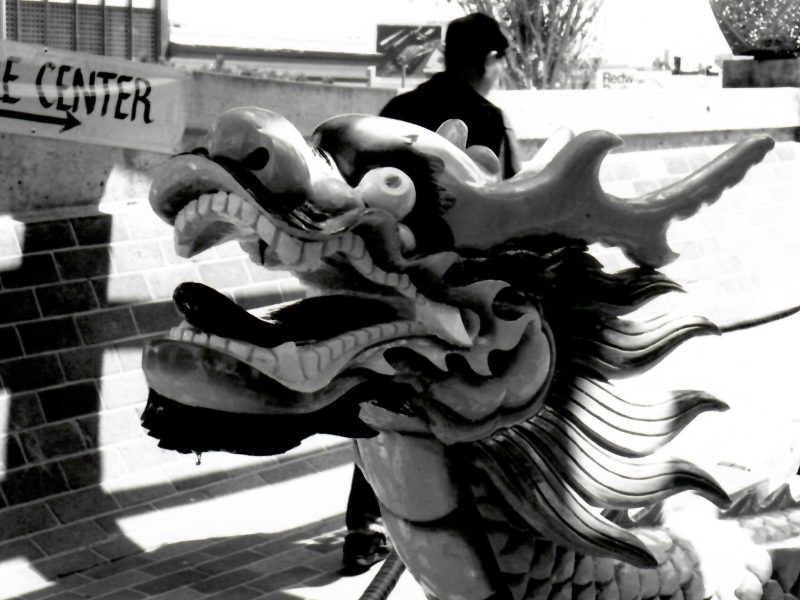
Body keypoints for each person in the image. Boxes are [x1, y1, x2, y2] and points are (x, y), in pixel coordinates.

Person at [341, 12, 520, 573]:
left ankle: (364, 528)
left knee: (381, 394)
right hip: (456, 294)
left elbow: (359, 195)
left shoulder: (395, 113)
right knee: (457, 408)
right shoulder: (488, 119)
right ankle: (456, 529)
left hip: (385, 280)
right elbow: (510, 207)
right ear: (491, 60)